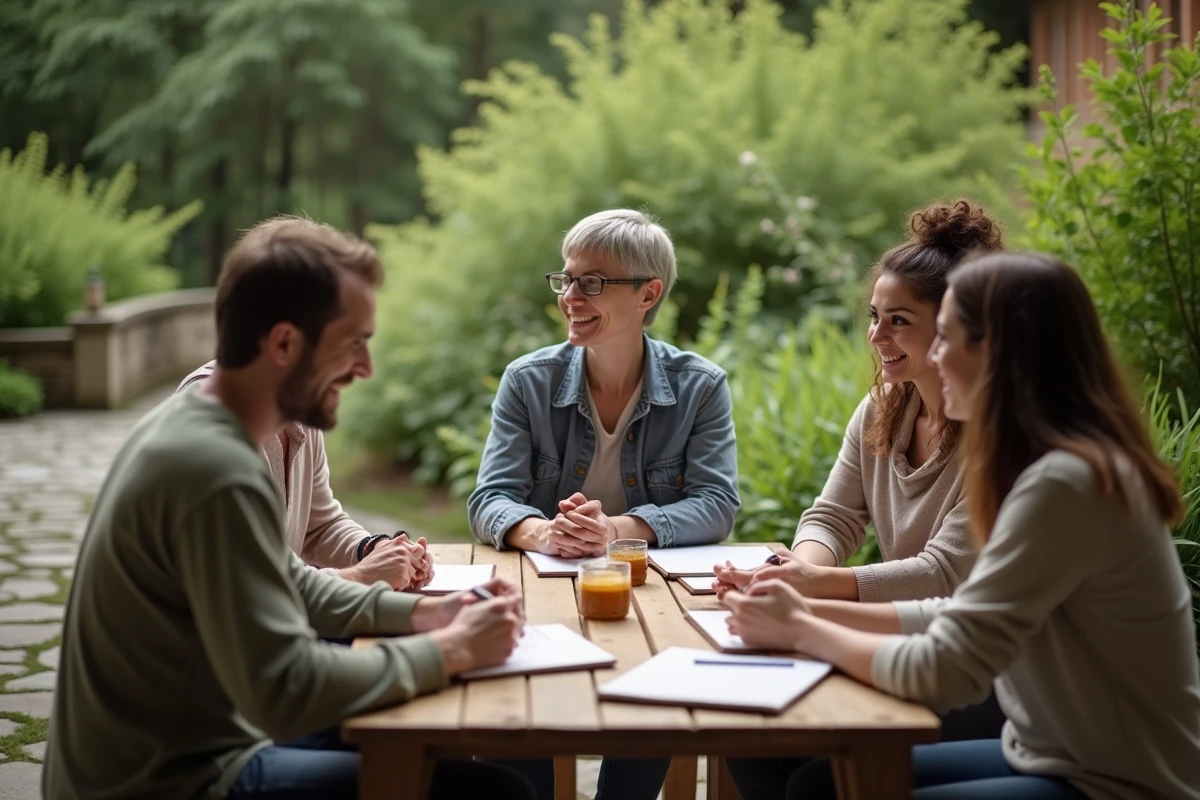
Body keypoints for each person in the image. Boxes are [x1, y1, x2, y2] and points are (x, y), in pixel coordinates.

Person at [44, 217, 536, 800]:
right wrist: (450, 649)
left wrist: (427, 616)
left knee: (428, 731)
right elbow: (284, 690)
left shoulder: (207, 429)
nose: (366, 368)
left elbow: (288, 579)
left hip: (194, 748)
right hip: (171, 781)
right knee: (488, 791)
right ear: (283, 343)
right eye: (353, 342)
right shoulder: (215, 468)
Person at [726, 252, 1200, 799]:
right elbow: (958, 611)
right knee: (816, 786)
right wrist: (804, 606)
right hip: (1046, 753)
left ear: (1002, 352)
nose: (936, 356)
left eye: (947, 338)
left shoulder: (1067, 483)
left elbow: (944, 666)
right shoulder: (1048, 463)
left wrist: (801, 627)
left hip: (1116, 782)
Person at [719, 199, 1006, 800]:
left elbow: (945, 575)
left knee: (807, 763)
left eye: (899, 320)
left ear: (956, 324)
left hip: (986, 681)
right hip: (911, 636)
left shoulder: (1000, 434)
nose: (876, 336)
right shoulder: (884, 407)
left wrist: (812, 593)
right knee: (745, 730)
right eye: (874, 317)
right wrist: (799, 567)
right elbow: (834, 515)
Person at [468, 208, 739, 800]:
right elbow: (489, 497)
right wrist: (542, 534)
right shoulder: (527, 380)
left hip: (649, 600)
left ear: (649, 293)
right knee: (516, 719)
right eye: (566, 279)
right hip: (542, 594)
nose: (571, 296)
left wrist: (615, 530)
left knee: (654, 699)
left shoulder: (701, 386)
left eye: (592, 282)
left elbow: (718, 503)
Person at [178, 359, 434, 591]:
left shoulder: (300, 403)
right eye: (351, 341)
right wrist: (362, 575)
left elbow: (320, 525)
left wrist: (373, 548)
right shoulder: (215, 414)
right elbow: (249, 585)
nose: (365, 366)